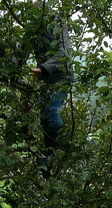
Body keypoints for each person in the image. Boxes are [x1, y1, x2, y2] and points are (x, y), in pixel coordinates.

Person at [31, 1, 74, 170]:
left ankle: (61, 150)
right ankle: (49, 155)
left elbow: (65, 52)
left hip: (61, 75)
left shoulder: (58, 22)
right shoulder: (33, 27)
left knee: (50, 110)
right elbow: (22, 47)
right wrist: (11, 69)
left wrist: (42, 68)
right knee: (43, 116)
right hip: (47, 78)